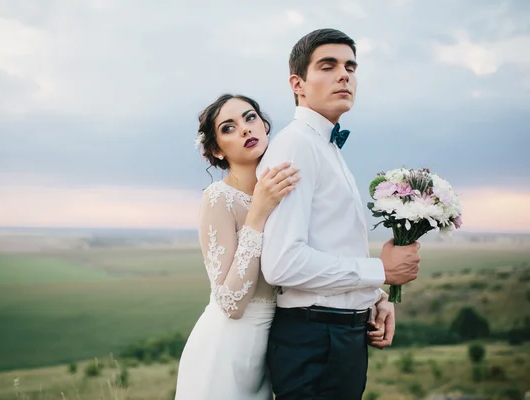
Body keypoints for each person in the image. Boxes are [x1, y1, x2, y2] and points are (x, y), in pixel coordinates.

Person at [256, 28, 421, 399]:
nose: (344, 74)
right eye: (328, 66)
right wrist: (380, 269)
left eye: (350, 66)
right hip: (315, 340)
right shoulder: (296, 146)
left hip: (339, 335)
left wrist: (374, 295)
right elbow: (282, 263)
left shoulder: (327, 145)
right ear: (297, 83)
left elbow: (331, 242)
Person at [174, 93, 301, 400]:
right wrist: (256, 215)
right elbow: (231, 302)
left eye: (250, 117)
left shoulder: (284, 188)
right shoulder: (218, 198)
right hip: (225, 350)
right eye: (228, 128)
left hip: (273, 349)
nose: (245, 129)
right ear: (217, 150)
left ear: (264, 126)